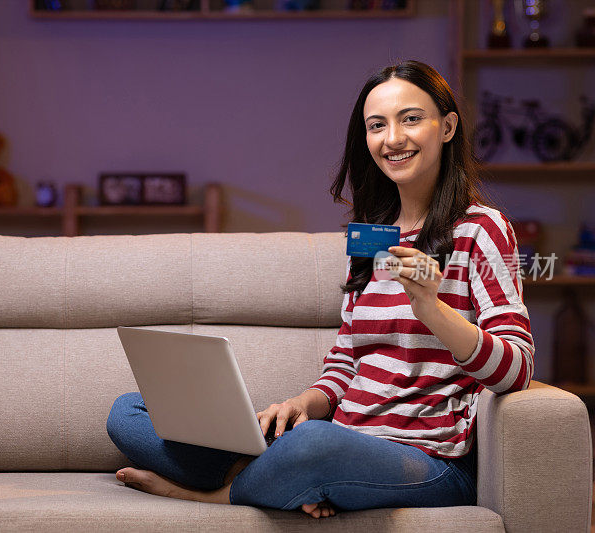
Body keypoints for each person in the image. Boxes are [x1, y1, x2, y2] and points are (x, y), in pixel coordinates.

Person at [106, 59, 535, 519]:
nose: (393, 138)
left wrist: (433, 309)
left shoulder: (481, 230)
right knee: (128, 411)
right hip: (343, 438)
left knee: (315, 444)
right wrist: (301, 404)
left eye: (411, 119)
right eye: (377, 125)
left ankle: (215, 494)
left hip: (428, 461)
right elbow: (347, 362)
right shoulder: (372, 238)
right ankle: (270, 473)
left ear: (447, 127)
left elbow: (517, 369)